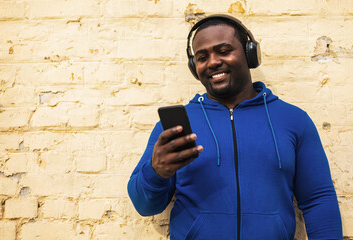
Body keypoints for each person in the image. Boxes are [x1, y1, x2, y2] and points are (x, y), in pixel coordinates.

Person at [127, 14, 343, 239]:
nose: (212, 62)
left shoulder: (293, 120)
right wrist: (156, 173)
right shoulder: (176, 127)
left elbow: (318, 200)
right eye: (202, 57)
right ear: (194, 66)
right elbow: (145, 206)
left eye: (223, 51)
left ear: (250, 54)